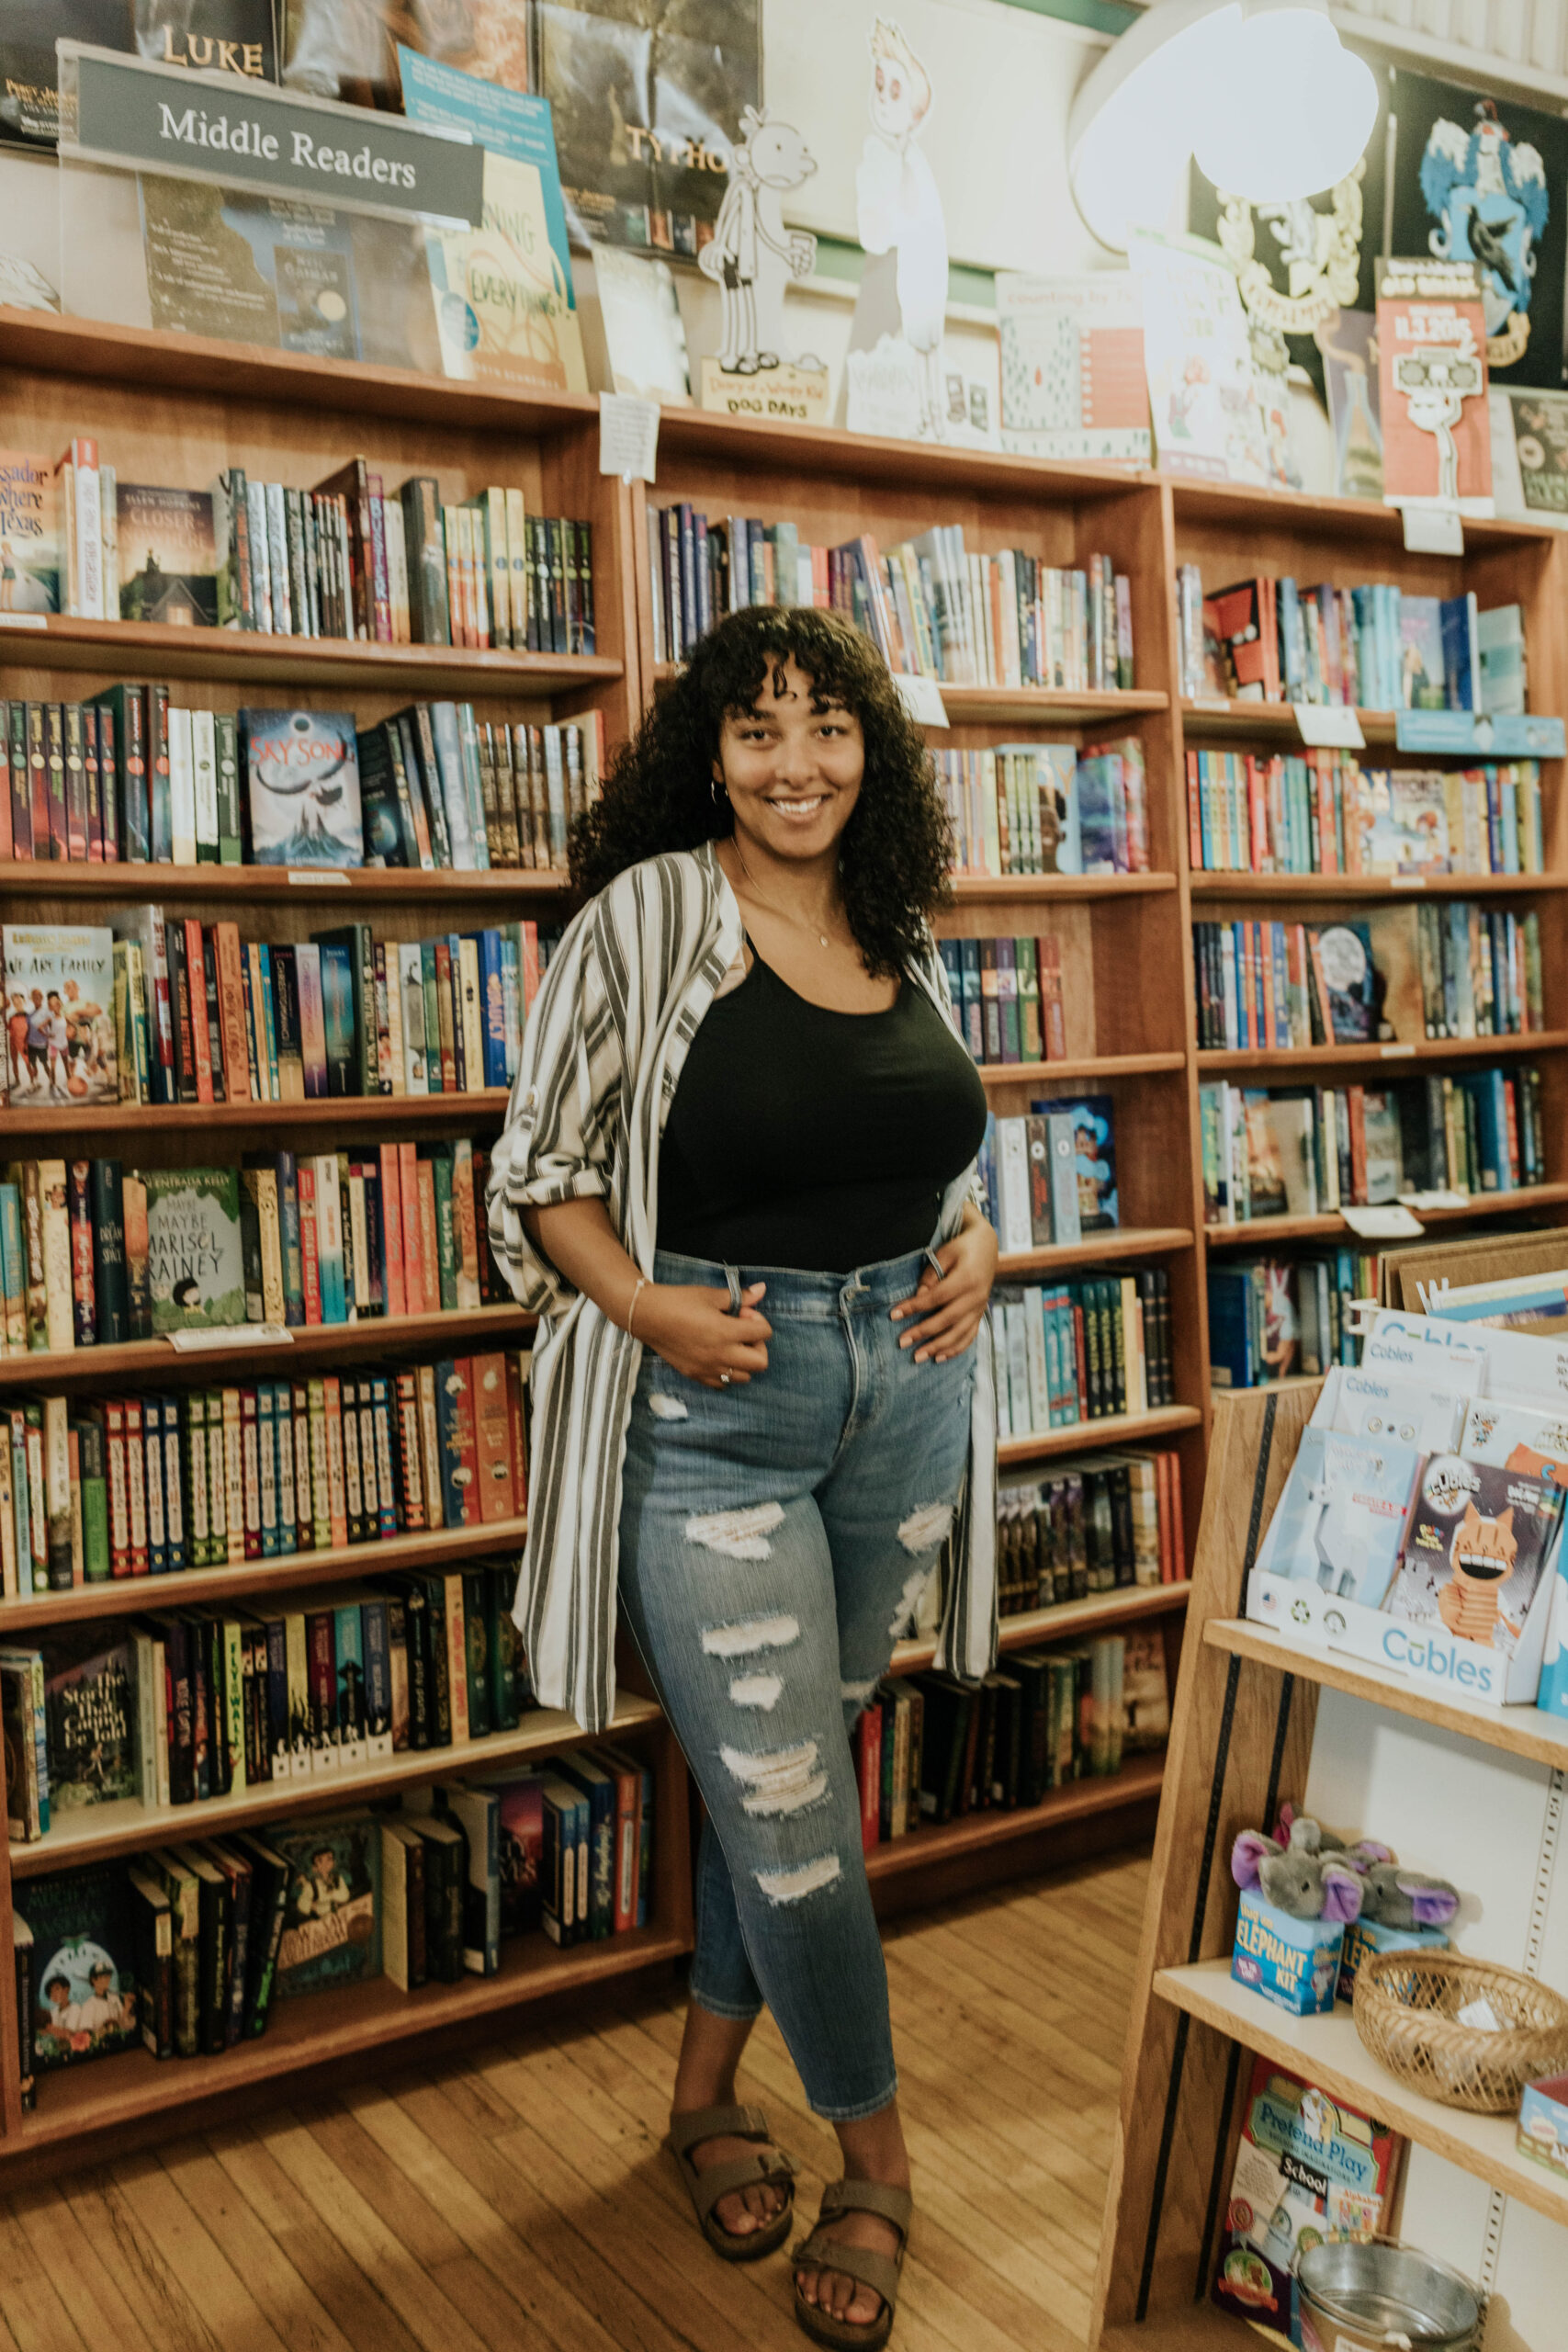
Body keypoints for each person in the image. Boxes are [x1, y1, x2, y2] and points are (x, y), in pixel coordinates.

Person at [488, 605, 999, 2349]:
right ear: (709, 751)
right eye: (763, 731)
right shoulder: (646, 919)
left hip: (904, 1392)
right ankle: (883, 2155)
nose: (800, 764)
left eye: (832, 728)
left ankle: (703, 2096)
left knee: (789, 1781)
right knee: (791, 1805)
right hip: (714, 1408)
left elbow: (938, 1152)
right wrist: (638, 1302)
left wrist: (983, 1239)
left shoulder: (897, 924)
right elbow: (539, 1168)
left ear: (874, 751)